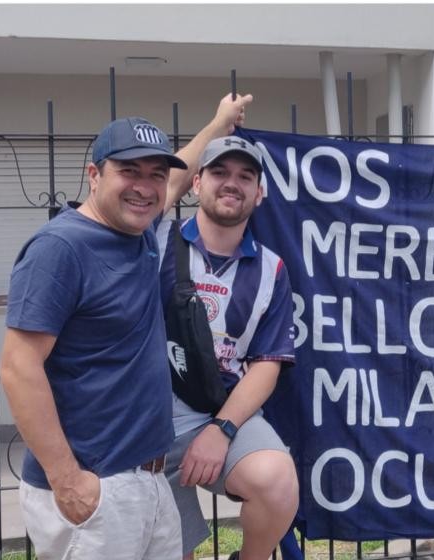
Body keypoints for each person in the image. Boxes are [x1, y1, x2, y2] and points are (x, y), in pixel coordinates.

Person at [0, 116, 189, 559]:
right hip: (97, 489)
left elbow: (177, 180)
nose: (145, 187)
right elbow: (17, 367)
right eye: (129, 171)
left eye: (155, 175)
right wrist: (69, 483)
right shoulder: (61, 249)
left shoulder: (138, 234)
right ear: (93, 174)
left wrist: (219, 123)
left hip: (151, 480)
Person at [157, 132, 298, 560]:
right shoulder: (155, 241)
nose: (231, 183)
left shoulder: (272, 268)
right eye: (218, 172)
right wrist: (218, 121)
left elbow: (266, 364)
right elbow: (158, 187)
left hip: (220, 414)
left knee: (277, 481)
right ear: (196, 183)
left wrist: (221, 430)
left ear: (260, 193)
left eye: (245, 176)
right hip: (149, 423)